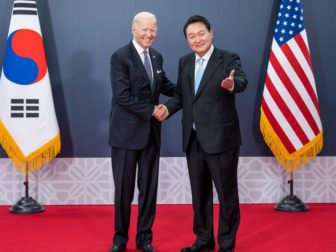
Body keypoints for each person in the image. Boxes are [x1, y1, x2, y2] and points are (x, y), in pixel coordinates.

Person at [157, 15, 247, 252]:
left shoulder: (227, 58)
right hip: (193, 138)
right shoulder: (185, 62)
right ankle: (204, 239)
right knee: (200, 193)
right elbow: (182, 96)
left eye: (201, 33)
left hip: (221, 139)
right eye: (191, 36)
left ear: (211, 33)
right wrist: (168, 108)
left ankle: (226, 243)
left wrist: (232, 85)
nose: (197, 39)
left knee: (227, 195)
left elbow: (241, 80)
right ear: (187, 40)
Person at [109, 11, 175, 252]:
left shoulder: (156, 57)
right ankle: (120, 239)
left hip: (151, 136)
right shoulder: (120, 57)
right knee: (124, 191)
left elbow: (164, 85)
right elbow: (122, 96)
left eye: (153, 29)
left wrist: (190, 89)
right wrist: (153, 111)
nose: (149, 34)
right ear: (133, 30)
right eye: (145, 29)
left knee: (149, 190)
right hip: (125, 135)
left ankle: (145, 238)